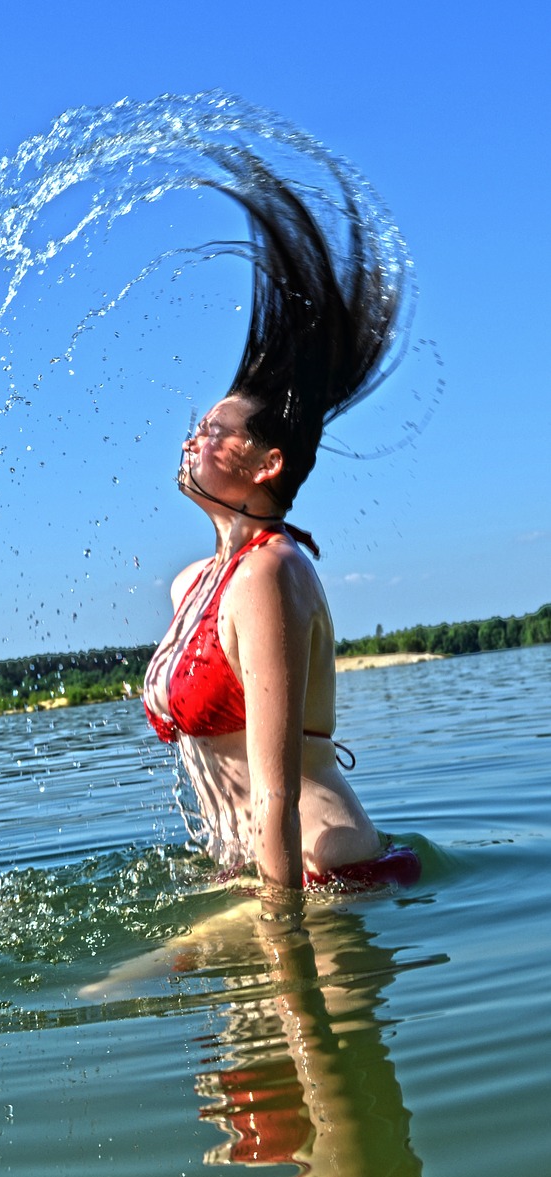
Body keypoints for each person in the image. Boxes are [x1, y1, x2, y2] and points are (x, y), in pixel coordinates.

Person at [142, 151, 421, 893]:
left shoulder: (269, 571)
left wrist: (281, 944)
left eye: (214, 431)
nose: (191, 440)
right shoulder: (192, 585)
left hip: (315, 871)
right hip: (254, 871)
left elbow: (276, 794)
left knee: (108, 991)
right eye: (195, 426)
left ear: (265, 465)